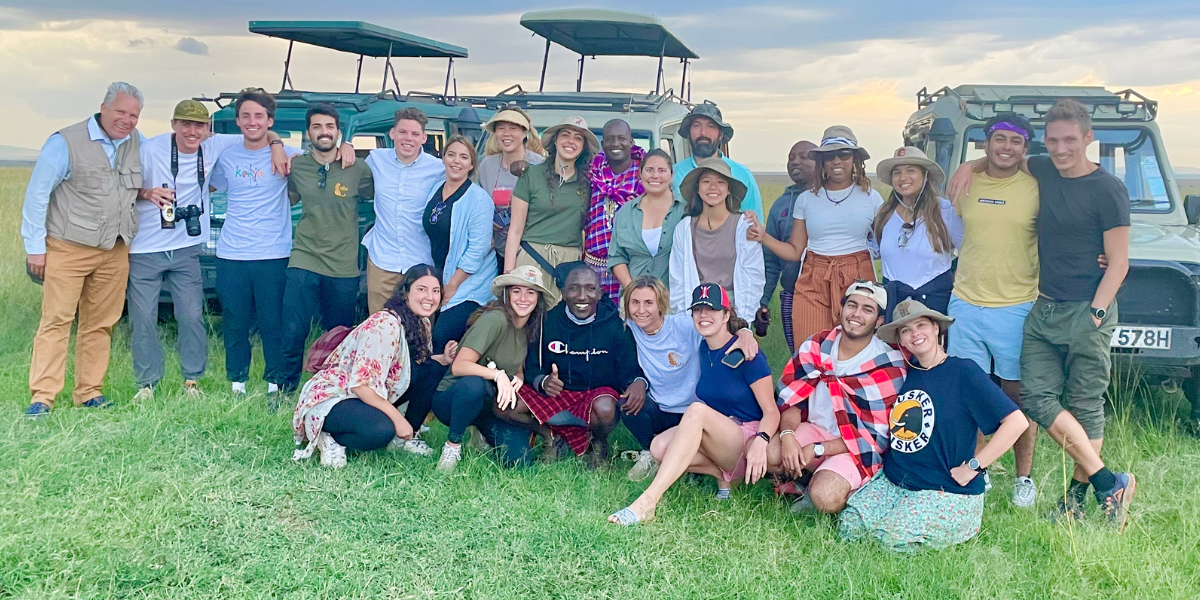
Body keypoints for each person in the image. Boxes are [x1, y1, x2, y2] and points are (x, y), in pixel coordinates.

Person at [950, 99, 1135, 529]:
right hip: (1044, 306)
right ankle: (1110, 483)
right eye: (1053, 140)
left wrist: (1097, 312)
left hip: (1086, 310)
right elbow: (1003, 155)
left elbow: (1120, 261)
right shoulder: (1044, 170)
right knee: (1035, 397)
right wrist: (968, 167)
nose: (1061, 147)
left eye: (1070, 139)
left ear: (1089, 138)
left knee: (1085, 405)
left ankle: (1078, 498)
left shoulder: (1108, 189)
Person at [839, 299, 1029, 552]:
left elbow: (1017, 422)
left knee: (890, 540)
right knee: (849, 527)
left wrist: (975, 466)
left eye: (921, 325)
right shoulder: (903, 372)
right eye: (906, 330)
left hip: (945, 488)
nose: (915, 333)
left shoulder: (964, 372)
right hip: (896, 481)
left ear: (937, 328)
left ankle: (951, 523)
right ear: (901, 340)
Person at [127, 100, 285, 402]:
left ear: (208, 129)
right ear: (173, 124)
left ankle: (192, 382)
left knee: (191, 316)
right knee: (143, 317)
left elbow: (257, 131)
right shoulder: (149, 150)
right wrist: (147, 193)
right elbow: (122, 186)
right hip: (146, 246)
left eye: (199, 125)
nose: (192, 131)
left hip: (187, 245)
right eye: (185, 124)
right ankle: (146, 384)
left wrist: (276, 143)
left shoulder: (215, 145)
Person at [21, 82, 145, 417]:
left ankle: (89, 392)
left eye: (134, 115)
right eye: (121, 111)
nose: (127, 120)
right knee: (57, 320)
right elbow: (36, 196)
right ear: (103, 108)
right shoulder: (64, 142)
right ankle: (43, 397)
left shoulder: (137, 142)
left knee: (101, 323)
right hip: (67, 247)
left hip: (115, 249)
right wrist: (35, 248)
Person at [609, 283, 779, 525]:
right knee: (658, 447)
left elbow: (771, 411)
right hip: (720, 435)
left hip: (746, 437)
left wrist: (762, 441)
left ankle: (647, 502)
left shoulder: (747, 355)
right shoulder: (702, 348)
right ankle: (724, 476)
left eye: (711, 310)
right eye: (698, 310)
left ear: (726, 315)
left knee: (697, 410)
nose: (703, 316)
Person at [942, 112, 1042, 508]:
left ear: (1026, 148)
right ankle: (977, 471)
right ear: (987, 142)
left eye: (1015, 142)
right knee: (973, 393)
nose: (1006, 148)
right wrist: (971, 165)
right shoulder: (965, 182)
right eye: (999, 140)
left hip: (1017, 306)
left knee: (1018, 396)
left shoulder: (1037, 184)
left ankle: (1023, 479)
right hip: (966, 302)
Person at [291, 265, 455, 468]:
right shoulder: (385, 325)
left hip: (367, 394)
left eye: (435, 290)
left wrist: (444, 359)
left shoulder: (421, 323)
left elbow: (413, 366)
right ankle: (331, 437)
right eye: (421, 289)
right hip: (338, 396)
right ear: (406, 292)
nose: (429, 297)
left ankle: (406, 438)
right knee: (381, 430)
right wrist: (398, 420)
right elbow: (361, 385)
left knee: (433, 368)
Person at [770, 281, 906, 514]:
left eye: (867, 309)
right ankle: (806, 480)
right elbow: (791, 399)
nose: (857, 314)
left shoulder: (888, 365)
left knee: (826, 496)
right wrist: (788, 435)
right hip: (816, 430)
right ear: (840, 310)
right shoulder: (816, 346)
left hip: (857, 447)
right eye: (852, 305)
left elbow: (875, 438)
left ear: (880, 321)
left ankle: (829, 487)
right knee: (771, 455)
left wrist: (818, 449)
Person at [209, 89, 305, 402]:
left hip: (273, 254)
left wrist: (276, 144)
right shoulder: (225, 154)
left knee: (273, 323)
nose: (252, 122)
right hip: (232, 253)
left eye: (259, 116)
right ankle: (237, 384)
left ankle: (274, 386)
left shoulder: (290, 153)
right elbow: (207, 182)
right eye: (246, 116)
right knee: (235, 323)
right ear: (237, 121)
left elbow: (323, 161)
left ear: (270, 120)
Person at [747, 126, 883, 345]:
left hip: (857, 276)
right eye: (830, 156)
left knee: (856, 348)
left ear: (855, 160)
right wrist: (763, 236)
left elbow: (887, 243)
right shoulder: (807, 200)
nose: (836, 161)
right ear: (822, 161)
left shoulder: (871, 198)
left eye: (844, 154)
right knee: (810, 347)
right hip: (814, 275)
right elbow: (794, 251)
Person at [621, 275, 758, 481]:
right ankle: (651, 453)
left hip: (695, 411)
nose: (641, 310)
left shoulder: (684, 326)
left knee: (694, 469)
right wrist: (638, 381)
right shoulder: (629, 330)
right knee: (627, 404)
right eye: (635, 303)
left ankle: (695, 464)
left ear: (661, 305)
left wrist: (746, 332)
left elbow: (724, 326)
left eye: (648, 303)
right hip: (661, 407)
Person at [508, 263, 647, 465]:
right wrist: (543, 381)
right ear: (563, 293)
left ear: (600, 293)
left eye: (590, 289)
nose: (582, 296)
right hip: (557, 397)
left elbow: (629, 370)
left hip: (594, 399)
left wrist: (638, 382)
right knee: (504, 403)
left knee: (606, 407)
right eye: (574, 288)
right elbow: (531, 367)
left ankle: (598, 443)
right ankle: (549, 435)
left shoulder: (615, 325)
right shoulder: (547, 321)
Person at [280, 103, 373, 392]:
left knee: (338, 334)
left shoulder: (357, 168)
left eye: (329, 127)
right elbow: (290, 196)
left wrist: (350, 147)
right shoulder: (296, 166)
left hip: (343, 263)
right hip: (304, 256)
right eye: (317, 126)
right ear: (308, 133)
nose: (324, 132)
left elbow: (377, 194)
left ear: (337, 131)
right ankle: (286, 387)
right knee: (294, 328)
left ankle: (332, 388)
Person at [432, 266, 551, 472]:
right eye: (516, 291)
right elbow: (460, 365)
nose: (523, 298)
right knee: (474, 385)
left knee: (519, 461)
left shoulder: (528, 327)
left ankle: (479, 433)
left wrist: (518, 378)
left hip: (490, 406)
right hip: (454, 399)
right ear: (507, 294)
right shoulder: (494, 319)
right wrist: (498, 375)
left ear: (538, 298)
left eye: (530, 292)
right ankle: (452, 446)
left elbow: (517, 366)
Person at [504, 116, 597, 304]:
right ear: (555, 140)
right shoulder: (531, 174)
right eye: (566, 135)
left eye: (578, 138)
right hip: (531, 258)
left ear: (583, 146)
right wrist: (509, 274)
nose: (571, 141)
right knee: (525, 321)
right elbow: (515, 229)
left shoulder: (590, 182)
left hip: (569, 265)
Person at [423, 135, 499, 358]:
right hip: (439, 274)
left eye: (464, 157)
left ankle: (442, 389)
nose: (457, 161)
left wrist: (452, 285)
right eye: (451, 155)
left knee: (442, 335)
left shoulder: (478, 199)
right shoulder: (436, 189)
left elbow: (478, 249)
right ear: (443, 158)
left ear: (472, 164)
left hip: (468, 283)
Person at [363, 107, 445, 313]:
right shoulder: (375, 160)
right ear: (392, 133)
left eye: (415, 133)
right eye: (403, 132)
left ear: (424, 137)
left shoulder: (438, 169)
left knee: (420, 327)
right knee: (379, 327)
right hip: (383, 259)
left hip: (421, 261)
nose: (408, 138)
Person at [872, 146, 963, 320]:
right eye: (897, 172)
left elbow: (968, 251)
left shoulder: (945, 211)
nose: (903, 177)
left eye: (911, 170)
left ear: (925, 175)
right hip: (894, 303)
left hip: (934, 303)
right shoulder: (884, 214)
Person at [669, 157, 764, 320]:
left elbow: (753, 277)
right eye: (706, 181)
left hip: (733, 309)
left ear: (728, 190)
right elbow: (678, 280)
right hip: (697, 308)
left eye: (720, 182)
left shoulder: (743, 226)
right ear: (697, 189)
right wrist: (684, 319)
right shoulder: (684, 229)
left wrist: (743, 321)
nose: (713, 187)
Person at [756, 140, 815, 353]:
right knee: (800, 358)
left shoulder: (829, 198)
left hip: (828, 294)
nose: (795, 162)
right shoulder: (781, 205)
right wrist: (763, 300)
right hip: (792, 294)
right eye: (791, 158)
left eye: (804, 156)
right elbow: (770, 259)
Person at [584, 119, 645, 301]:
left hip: (630, 268)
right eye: (610, 139)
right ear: (603, 144)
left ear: (631, 142)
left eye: (621, 138)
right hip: (594, 267)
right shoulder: (591, 173)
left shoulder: (645, 174)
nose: (615, 144)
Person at [608, 150, 686, 291]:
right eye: (649, 170)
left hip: (675, 300)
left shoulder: (686, 209)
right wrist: (633, 291)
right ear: (640, 174)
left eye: (662, 170)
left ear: (672, 176)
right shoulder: (625, 212)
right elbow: (616, 257)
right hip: (635, 301)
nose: (655, 176)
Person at [671, 104, 764, 221]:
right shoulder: (673, 174)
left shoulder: (742, 175)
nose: (703, 132)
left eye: (711, 126)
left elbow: (754, 227)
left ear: (721, 134)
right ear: (688, 133)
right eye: (696, 125)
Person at [478, 107, 545, 262]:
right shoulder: (486, 165)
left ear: (524, 133)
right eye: (501, 128)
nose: (506, 134)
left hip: (529, 253)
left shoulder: (539, 165)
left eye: (513, 128)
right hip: (494, 254)